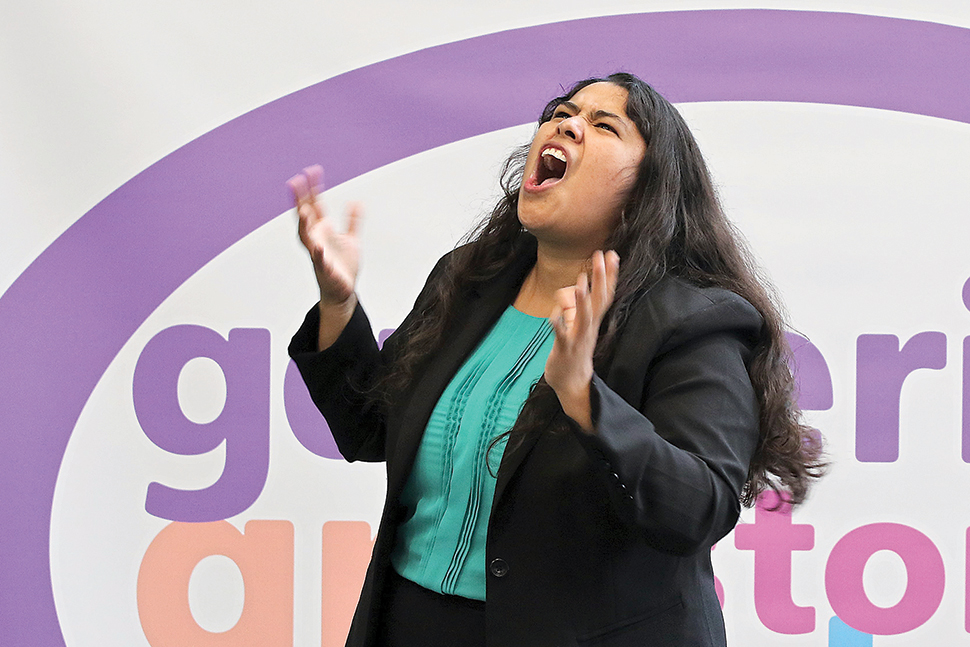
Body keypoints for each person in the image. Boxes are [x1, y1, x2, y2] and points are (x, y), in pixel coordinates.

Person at [287, 72, 824, 647]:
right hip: (412, 625)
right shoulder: (468, 280)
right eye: (562, 112)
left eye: (603, 125)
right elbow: (369, 430)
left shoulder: (693, 322)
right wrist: (339, 305)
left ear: (648, 188)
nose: (566, 123)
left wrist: (586, 402)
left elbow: (698, 508)